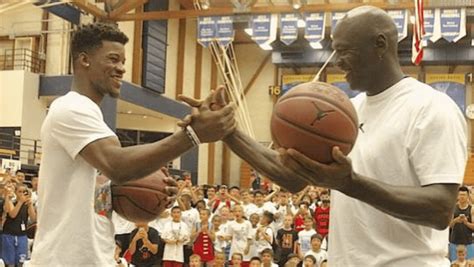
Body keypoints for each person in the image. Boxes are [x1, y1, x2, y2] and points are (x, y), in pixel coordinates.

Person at [178, 5, 466, 267]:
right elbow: (293, 177)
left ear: (380, 44)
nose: (338, 62)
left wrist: (350, 184)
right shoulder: (349, 112)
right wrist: (229, 132)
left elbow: (440, 210)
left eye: (345, 51)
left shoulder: (432, 108)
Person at [30, 22, 236, 266]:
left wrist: (155, 193)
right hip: (62, 260)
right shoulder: (70, 107)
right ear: (84, 60)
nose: (121, 69)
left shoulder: (92, 117)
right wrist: (192, 134)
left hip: (94, 258)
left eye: (123, 62)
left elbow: (99, 195)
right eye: (113, 59)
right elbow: (117, 166)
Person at [2, 184, 36, 266]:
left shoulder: (28, 204)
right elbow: (13, 214)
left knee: (21, 262)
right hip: (9, 235)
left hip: (22, 236)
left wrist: (30, 205)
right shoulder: (11, 201)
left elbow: (34, 219)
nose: (22, 194)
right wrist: (20, 202)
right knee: (10, 263)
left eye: (24, 192)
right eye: (19, 191)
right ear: (15, 192)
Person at [450, 186, 474, 261]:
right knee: (454, 264)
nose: (462, 197)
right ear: (457, 196)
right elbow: (448, 226)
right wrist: (455, 220)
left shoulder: (472, 209)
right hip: (454, 242)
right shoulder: (453, 208)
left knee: (469, 264)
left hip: (468, 242)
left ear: (467, 196)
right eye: (460, 195)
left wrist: (466, 223)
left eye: (464, 195)